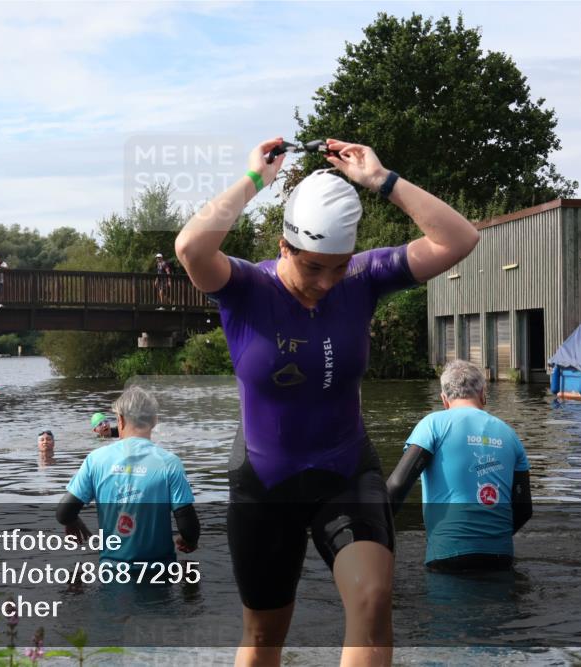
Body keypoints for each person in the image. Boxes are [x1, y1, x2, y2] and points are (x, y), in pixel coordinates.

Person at [174, 136, 479, 666]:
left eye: (337, 266)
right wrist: (254, 181)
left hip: (344, 470)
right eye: (314, 266)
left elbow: (459, 238)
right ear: (284, 245)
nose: (326, 282)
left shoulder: (362, 278)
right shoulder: (246, 288)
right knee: (264, 638)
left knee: (372, 600)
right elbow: (191, 248)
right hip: (265, 481)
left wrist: (382, 180)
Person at [386, 360, 532, 572]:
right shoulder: (510, 435)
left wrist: (374, 537)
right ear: (483, 393)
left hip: (447, 555)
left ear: (444, 399)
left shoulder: (433, 424)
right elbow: (524, 510)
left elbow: (397, 486)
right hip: (500, 557)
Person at [57, 386, 200, 564]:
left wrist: (73, 521)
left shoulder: (96, 460)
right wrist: (189, 541)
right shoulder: (169, 463)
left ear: (120, 421)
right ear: (154, 421)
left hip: (112, 573)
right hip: (159, 572)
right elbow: (189, 528)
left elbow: (64, 513)